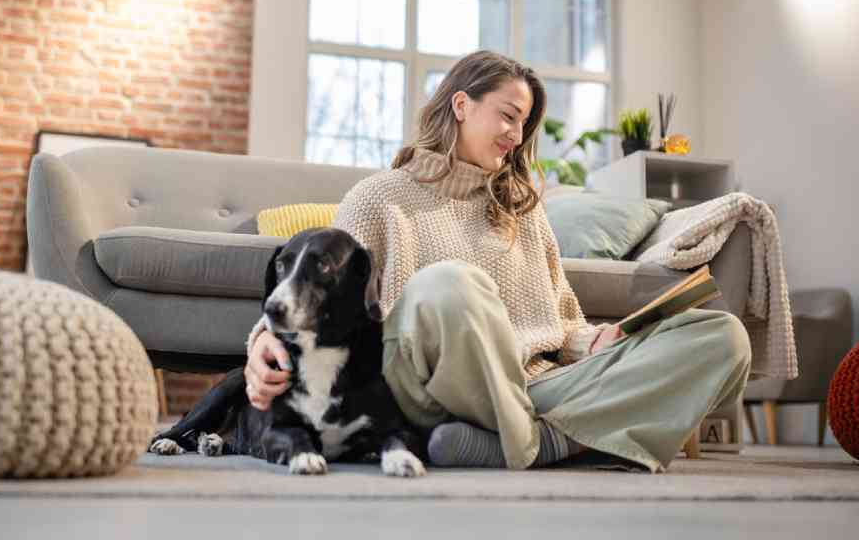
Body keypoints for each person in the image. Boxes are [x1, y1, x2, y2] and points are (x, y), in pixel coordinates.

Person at [243, 50, 751, 473]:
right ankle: (541, 442)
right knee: (449, 283)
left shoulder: (522, 210)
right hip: (427, 388)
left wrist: (592, 340)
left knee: (721, 335)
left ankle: (538, 443)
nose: (517, 134)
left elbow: (562, 318)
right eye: (509, 115)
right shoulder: (379, 197)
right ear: (462, 104)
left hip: (535, 385)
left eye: (524, 123)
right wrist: (262, 339)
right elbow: (318, 284)